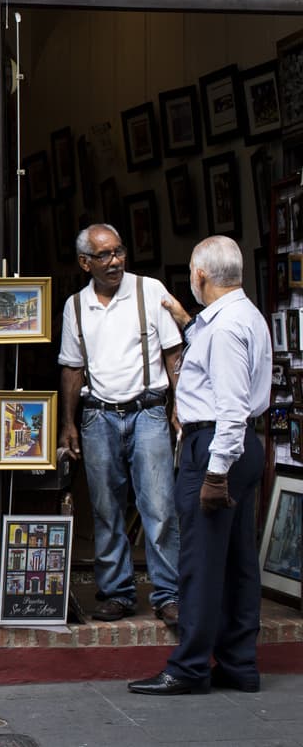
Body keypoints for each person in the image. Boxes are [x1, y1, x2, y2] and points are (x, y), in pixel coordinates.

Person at [128, 236, 271, 696]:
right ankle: (238, 664)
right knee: (237, 561)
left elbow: (230, 406)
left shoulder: (226, 328)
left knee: (201, 562)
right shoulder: (241, 316)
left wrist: (214, 473)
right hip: (237, 444)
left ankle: (189, 667)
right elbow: (212, 356)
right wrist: (184, 319)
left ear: (201, 276)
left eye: (191, 271)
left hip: (217, 445)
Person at [57, 224, 183, 627]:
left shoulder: (150, 290)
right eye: (104, 255)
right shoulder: (75, 306)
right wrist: (68, 423)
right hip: (98, 416)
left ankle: (169, 594)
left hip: (147, 411)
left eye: (118, 252)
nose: (114, 261)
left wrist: (178, 406)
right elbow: (72, 368)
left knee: (159, 507)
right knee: (106, 509)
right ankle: (116, 593)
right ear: (84, 263)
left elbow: (173, 354)